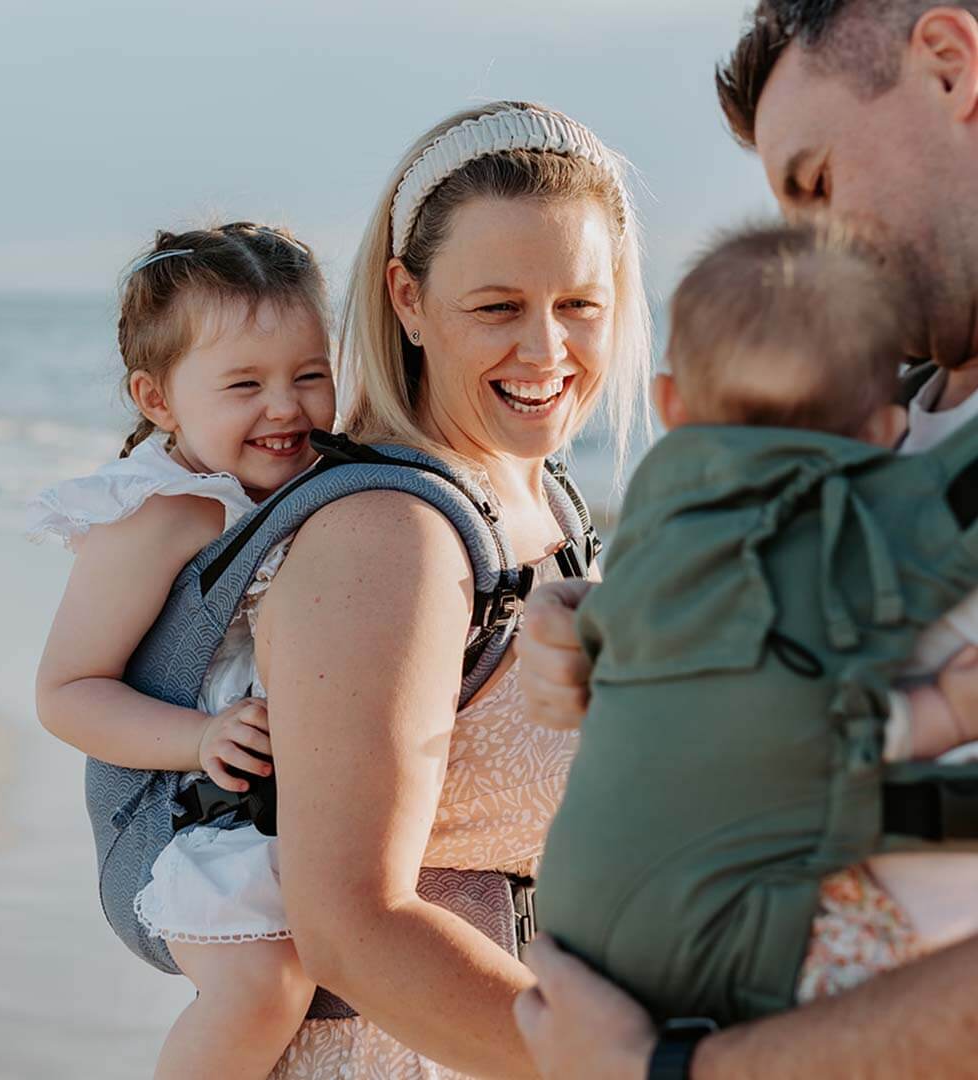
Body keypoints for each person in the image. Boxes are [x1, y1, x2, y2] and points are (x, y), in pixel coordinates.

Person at [515, 2, 978, 1075]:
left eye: (815, 181)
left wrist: (670, 1070)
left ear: (951, 67)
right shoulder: (863, 414)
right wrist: (616, 635)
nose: (814, 246)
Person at [234, 101, 650, 1077]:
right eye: (498, 307)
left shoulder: (545, 497)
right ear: (409, 300)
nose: (548, 351)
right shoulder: (393, 536)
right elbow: (352, 926)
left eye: (579, 303)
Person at [29, 222, 336, 1079]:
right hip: (185, 819)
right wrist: (197, 740)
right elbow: (66, 691)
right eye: (245, 384)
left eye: (311, 375)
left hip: (280, 797)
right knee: (265, 986)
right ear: (158, 400)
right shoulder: (166, 515)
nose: (286, 407)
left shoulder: (317, 479)